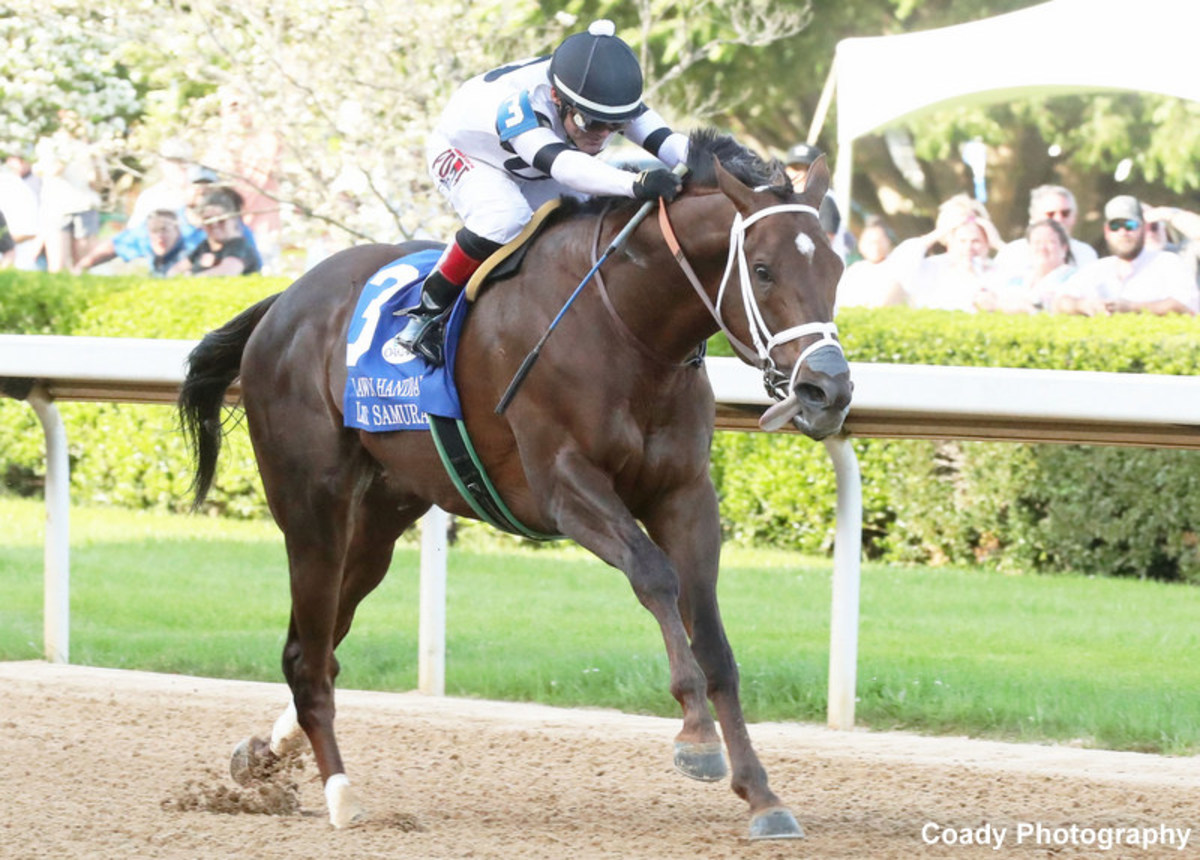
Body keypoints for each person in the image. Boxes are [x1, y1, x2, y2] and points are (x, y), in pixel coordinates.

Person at [397, 19, 688, 365]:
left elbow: (671, 144)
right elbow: (562, 166)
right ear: (556, 98)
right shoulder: (521, 103)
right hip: (472, 154)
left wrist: (735, 168)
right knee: (504, 218)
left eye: (616, 127)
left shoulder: (602, 100)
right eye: (590, 123)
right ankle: (426, 314)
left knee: (590, 224)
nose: (602, 136)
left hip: (537, 165)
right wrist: (635, 184)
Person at [1054, 195, 1198, 316]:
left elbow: (1188, 308)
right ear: (1106, 231)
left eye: (1130, 225)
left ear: (1143, 228)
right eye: (1115, 226)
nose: (1123, 232)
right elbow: (1059, 302)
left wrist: (1131, 308)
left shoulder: (1168, 263)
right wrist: (1084, 305)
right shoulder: (1097, 268)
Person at [887, 194, 1005, 312]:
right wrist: (939, 232)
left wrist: (998, 243)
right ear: (948, 239)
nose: (968, 247)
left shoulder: (997, 271)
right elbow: (898, 265)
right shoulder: (932, 268)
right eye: (962, 241)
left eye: (976, 241)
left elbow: (1021, 272)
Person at [992, 185, 1097, 279]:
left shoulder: (1086, 253)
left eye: (1065, 213)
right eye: (1051, 214)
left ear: (1074, 217)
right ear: (1034, 218)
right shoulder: (1012, 253)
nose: (1059, 219)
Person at [982, 219, 1075, 313]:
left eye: (1050, 242)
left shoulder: (1074, 278)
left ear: (1064, 248)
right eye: (1037, 242)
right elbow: (985, 298)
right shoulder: (1018, 275)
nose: (1042, 248)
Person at [784, 142, 855, 261]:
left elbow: (822, 245)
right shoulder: (789, 202)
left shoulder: (824, 200)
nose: (801, 174)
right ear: (786, 170)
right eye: (796, 168)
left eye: (808, 169)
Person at [169, 186, 261, 276]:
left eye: (221, 220)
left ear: (233, 219)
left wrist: (191, 278)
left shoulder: (240, 246)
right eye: (208, 220)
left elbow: (228, 271)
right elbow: (174, 271)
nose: (214, 224)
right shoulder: (205, 246)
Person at [72, 208, 188, 276]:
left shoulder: (193, 239)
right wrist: (80, 267)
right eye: (154, 231)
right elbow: (109, 248)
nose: (159, 236)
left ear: (177, 230)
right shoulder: (139, 238)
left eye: (164, 230)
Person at [835, 216, 905, 310]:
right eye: (870, 242)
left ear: (888, 242)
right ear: (861, 245)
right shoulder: (855, 271)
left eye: (878, 241)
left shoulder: (897, 267)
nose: (875, 246)